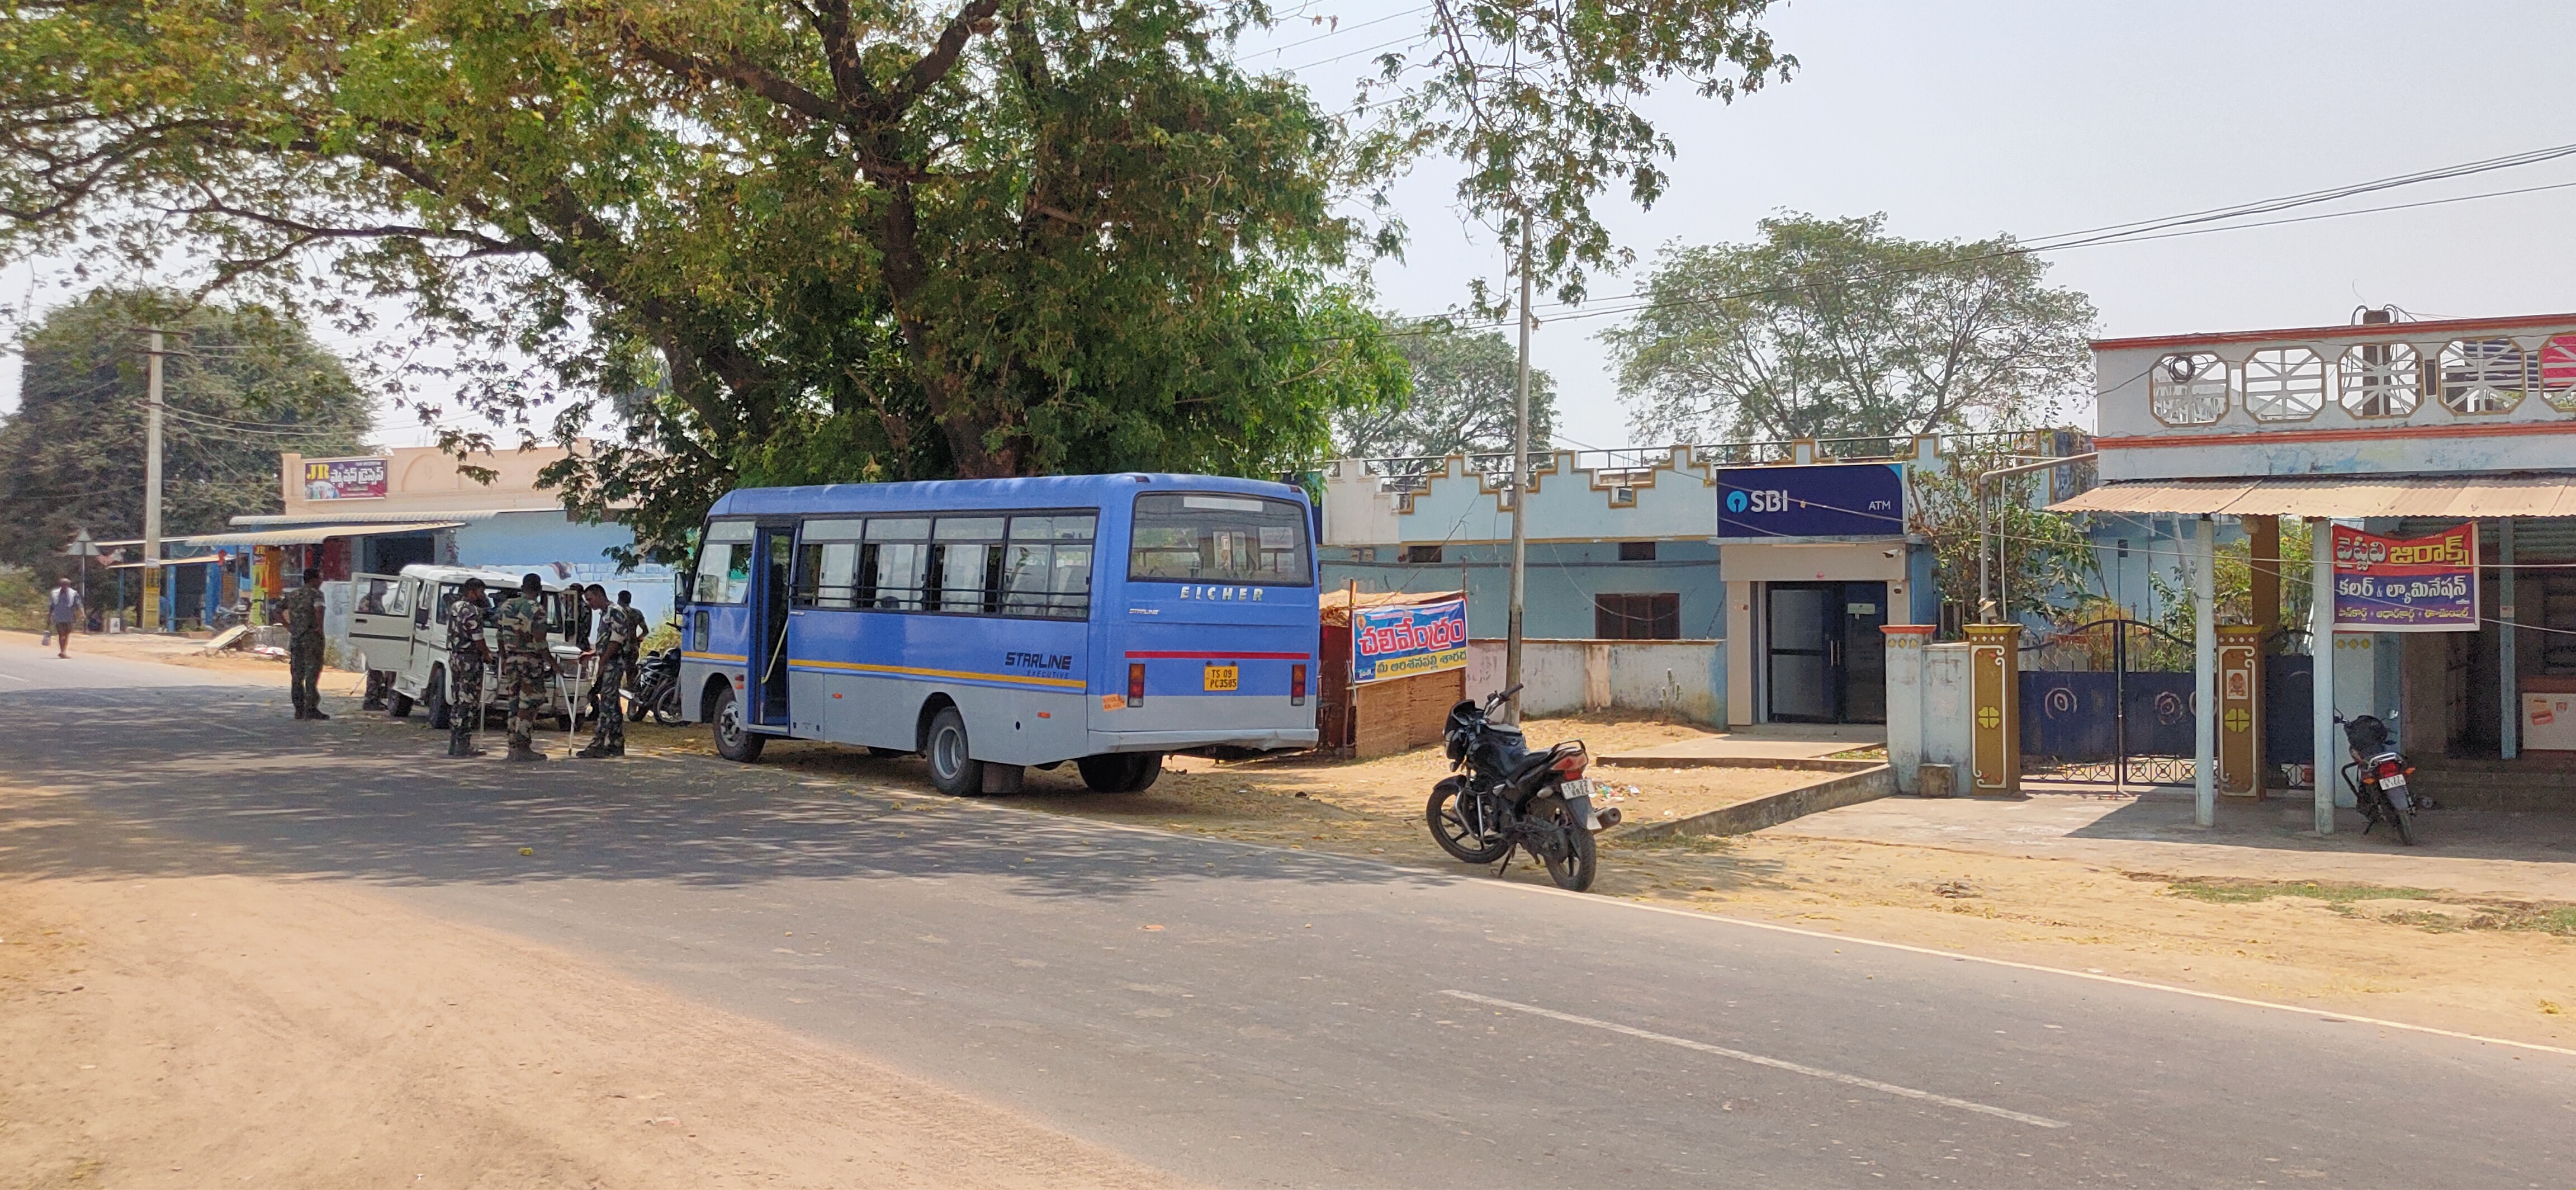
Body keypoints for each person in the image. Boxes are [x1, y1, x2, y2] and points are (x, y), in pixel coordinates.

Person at [576, 587, 646, 759]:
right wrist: (593, 653)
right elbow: (607, 640)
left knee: (606, 704)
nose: (589, 603)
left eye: (590, 599)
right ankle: (616, 743)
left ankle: (598, 743)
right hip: (609, 660)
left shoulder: (615, 612)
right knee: (613, 704)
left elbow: (617, 640)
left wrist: (603, 660)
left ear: (600, 596)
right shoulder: (606, 613)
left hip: (614, 663)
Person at [493, 573, 553, 762]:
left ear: (522, 586)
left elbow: (500, 636)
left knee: (514, 702)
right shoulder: (538, 610)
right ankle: (523, 745)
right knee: (530, 702)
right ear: (539, 589)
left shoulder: (506, 607)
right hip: (530, 661)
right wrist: (552, 664)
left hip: (511, 660)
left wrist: (504, 658)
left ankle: (512, 745)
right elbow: (540, 641)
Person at [445, 578, 494, 758]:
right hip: (469, 658)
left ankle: (454, 742)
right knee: (468, 700)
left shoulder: (455, 606)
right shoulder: (470, 609)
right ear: (472, 591)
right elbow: (477, 637)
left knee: (459, 699)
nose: (483, 596)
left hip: (456, 656)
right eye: (481, 592)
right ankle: (463, 744)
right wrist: (487, 654)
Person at [280, 568, 329, 720]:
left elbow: (277, 610)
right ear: (313, 579)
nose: (321, 581)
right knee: (312, 672)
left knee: (297, 674)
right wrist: (319, 628)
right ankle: (311, 707)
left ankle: (299, 708)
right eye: (320, 578)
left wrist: (288, 626)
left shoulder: (293, 595)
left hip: (296, 638)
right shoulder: (316, 594)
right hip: (311, 638)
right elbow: (319, 610)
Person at [45, 578, 80, 658]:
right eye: (63, 584)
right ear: (61, 585)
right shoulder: (55, 594)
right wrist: (49, 617)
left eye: (66, 585)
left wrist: (82, 613)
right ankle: (63, 651)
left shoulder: (73, 593)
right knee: (61, 634)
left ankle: (64, 651)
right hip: (59, 617)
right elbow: (51, 607)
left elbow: (78, 604)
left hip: (69, 617)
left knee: (67, 634)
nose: (65, 586)